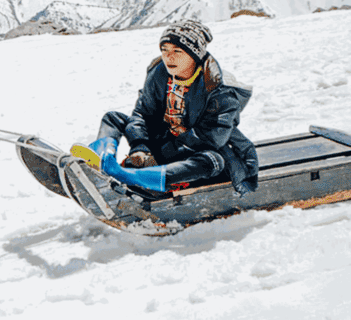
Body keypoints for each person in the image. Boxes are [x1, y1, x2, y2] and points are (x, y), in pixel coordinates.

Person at [90, 20, 259, 195]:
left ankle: (148, 180)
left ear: (195, 55)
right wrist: (141, 149)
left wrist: (160, 156)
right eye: (164, 50)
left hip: (194, 151)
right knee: (113, 118)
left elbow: (209, 138)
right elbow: (144, 114)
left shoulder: (218, 90)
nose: (169, 57)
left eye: (177, 51)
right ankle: (99, 161)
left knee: (213, 161)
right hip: (164, 140)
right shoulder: (159, 73)